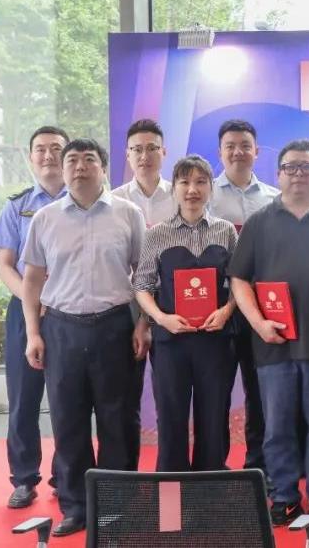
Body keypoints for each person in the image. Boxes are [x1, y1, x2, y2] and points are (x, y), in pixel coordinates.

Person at [229, 140, 309, 529]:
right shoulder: (260, 222)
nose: (298, 174)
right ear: (278, 174)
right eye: (290, 167)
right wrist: (258, 323)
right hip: (273, 343)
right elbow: (239, 278)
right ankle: (284, 497)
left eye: (307, 167)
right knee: (277, 427)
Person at [20, 138, 148, 536]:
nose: (79, 166)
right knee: (68, 421)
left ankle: (117, 507)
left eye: (88, 159)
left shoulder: (128, 214)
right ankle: (76, 507)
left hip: (115, 327)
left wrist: (143, 324)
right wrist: (33, 333)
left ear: (103, 167)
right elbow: (32, 280)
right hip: (62, 329)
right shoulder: (45, 218)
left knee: (118, 420)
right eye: (71, 160)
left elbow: (144, 276)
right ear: (63, 169)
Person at [133, 155, 238, 472]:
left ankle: (211, 482)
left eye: (200, 182)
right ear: (174, 188)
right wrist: (161, 318)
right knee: (171, 413)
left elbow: (238, 283)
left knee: (214, 413)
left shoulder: (226, 231)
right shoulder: (157, 234)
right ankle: (172, 485)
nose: (193, 189)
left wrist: (226, 311)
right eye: (185, 182)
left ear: (211, 188)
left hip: (215, 340)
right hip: (170, 342)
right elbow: (142, 286)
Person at [0, 125, 68, 508]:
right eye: (41, 149)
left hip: (69, 311)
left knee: (69, 399)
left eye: (56, 148)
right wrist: (32, 297)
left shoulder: (84, 200)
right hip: (25, 310)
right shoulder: (16, 206)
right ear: (31, 156)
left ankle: (65, 476)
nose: (48, 155)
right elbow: (5, 264)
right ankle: (23, 478)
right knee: (23, 399)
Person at [209, 119, 280, 475]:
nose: (238, 152)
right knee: (216, 391)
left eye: (245, 145)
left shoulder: (273, 198)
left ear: (256, 150)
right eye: (230, 145)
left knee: (259, 390)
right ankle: (215, 466)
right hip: (216, 307)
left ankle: (259, 465)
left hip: (261, 308)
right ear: (220, 151)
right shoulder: (205, 194)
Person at [111, 118, 178, 472]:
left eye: (152, 148)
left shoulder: (182, 195)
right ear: (127, 155)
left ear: (164, 152)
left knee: (171, 397)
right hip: (128, 311)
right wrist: (141, 319)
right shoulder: (114, 201)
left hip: (174, 309)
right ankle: (127, 476)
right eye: (137, 149)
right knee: (126, 397)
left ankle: (171, 469)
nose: (144, 156)